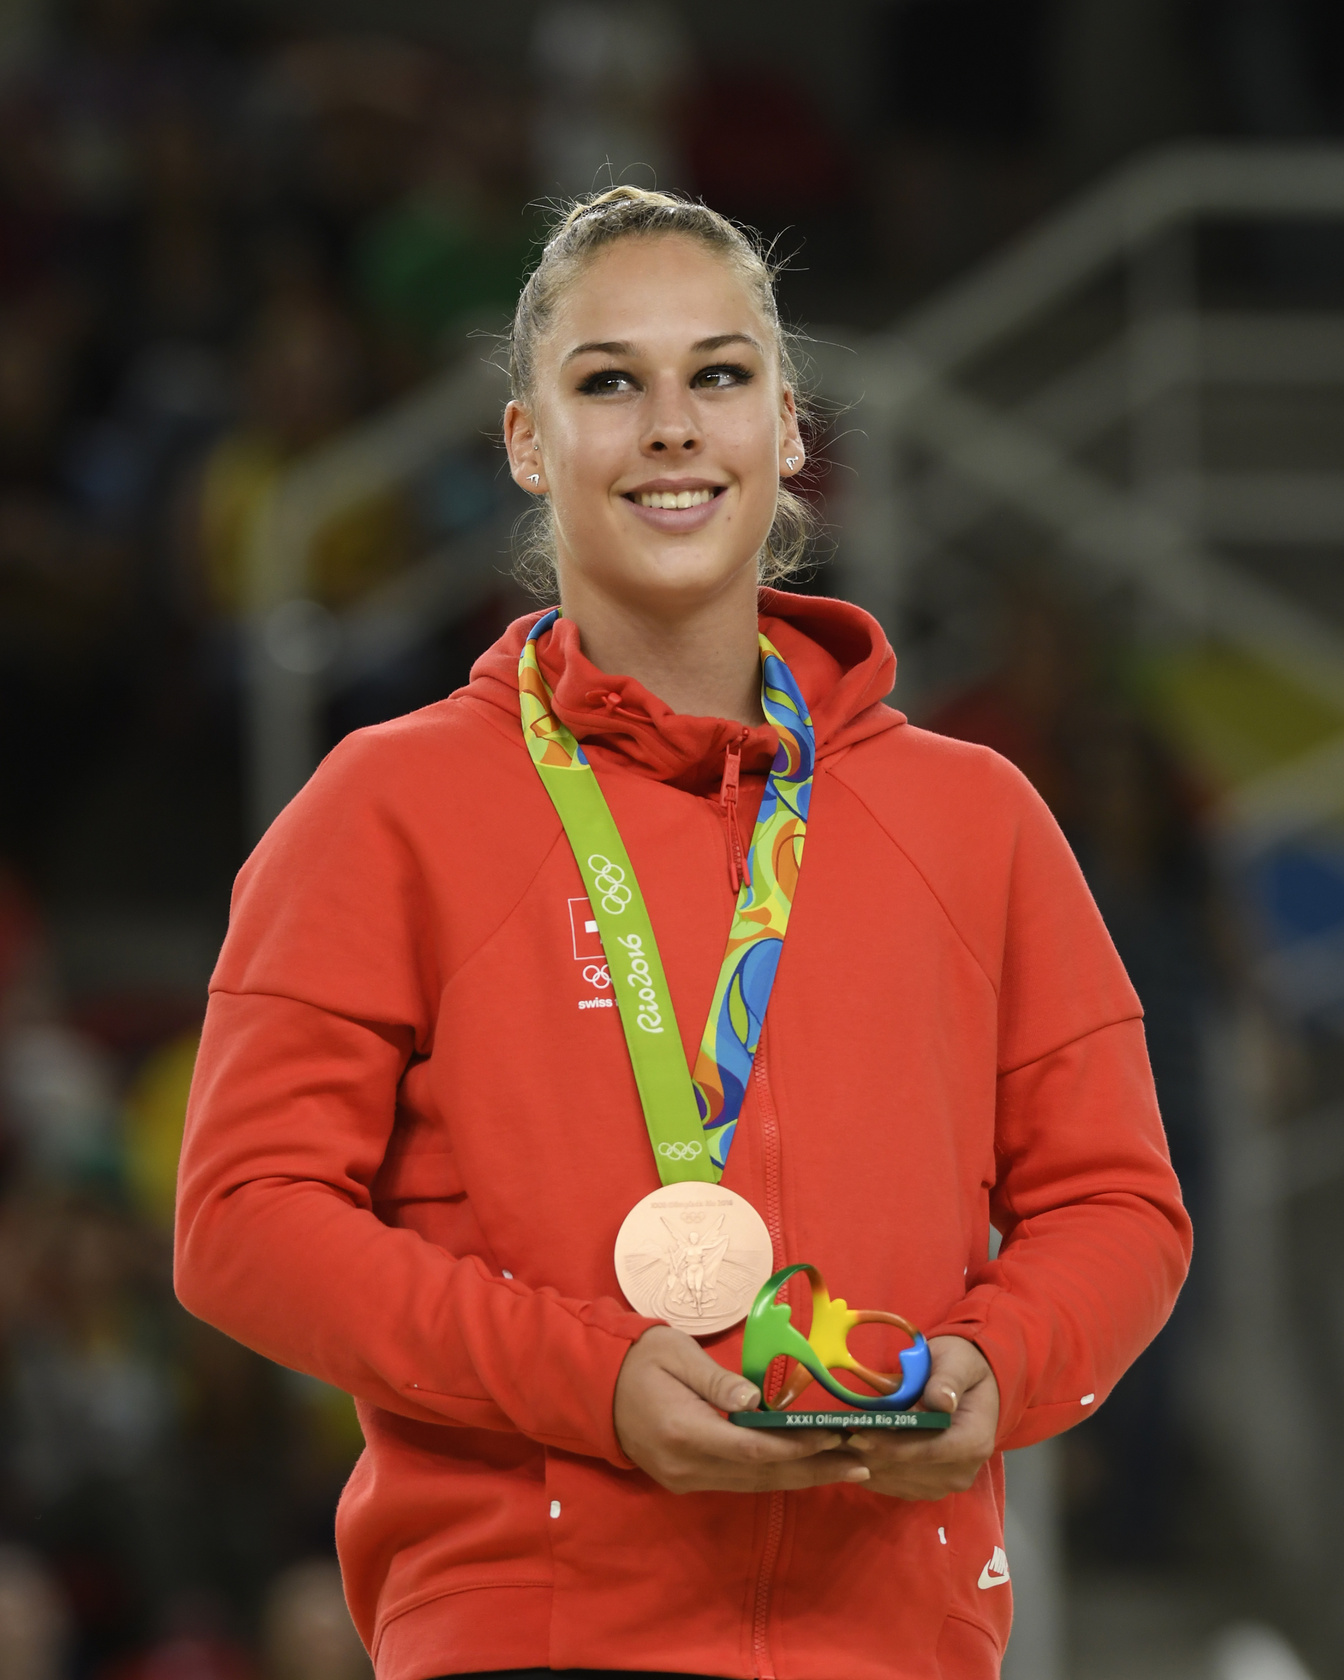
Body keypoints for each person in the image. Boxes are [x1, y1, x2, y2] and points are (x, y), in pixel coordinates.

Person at [174, 186, 1191, 1680]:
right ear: (527, 442)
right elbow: (243, 1219)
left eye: (719, 375)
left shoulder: (975, 818)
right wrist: (587, 1382)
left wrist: (996, 1365)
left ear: (787, 428)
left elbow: (1120, 1204)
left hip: (895, 1640)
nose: (670, 427)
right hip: (534, 1631)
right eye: (608, 383)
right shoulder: (388, 807)